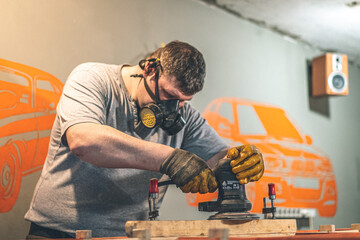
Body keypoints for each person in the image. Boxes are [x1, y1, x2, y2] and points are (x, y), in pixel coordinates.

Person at [24, 40, 264, 238]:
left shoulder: (184, 115)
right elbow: (83, 140)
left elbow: (218, 158)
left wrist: (239, 160)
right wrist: (169, 159)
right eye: (169, 95)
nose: (175, 108)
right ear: (149, 69)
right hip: (59, 232)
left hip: (131, 235)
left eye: (183, 101)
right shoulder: (93, 79)